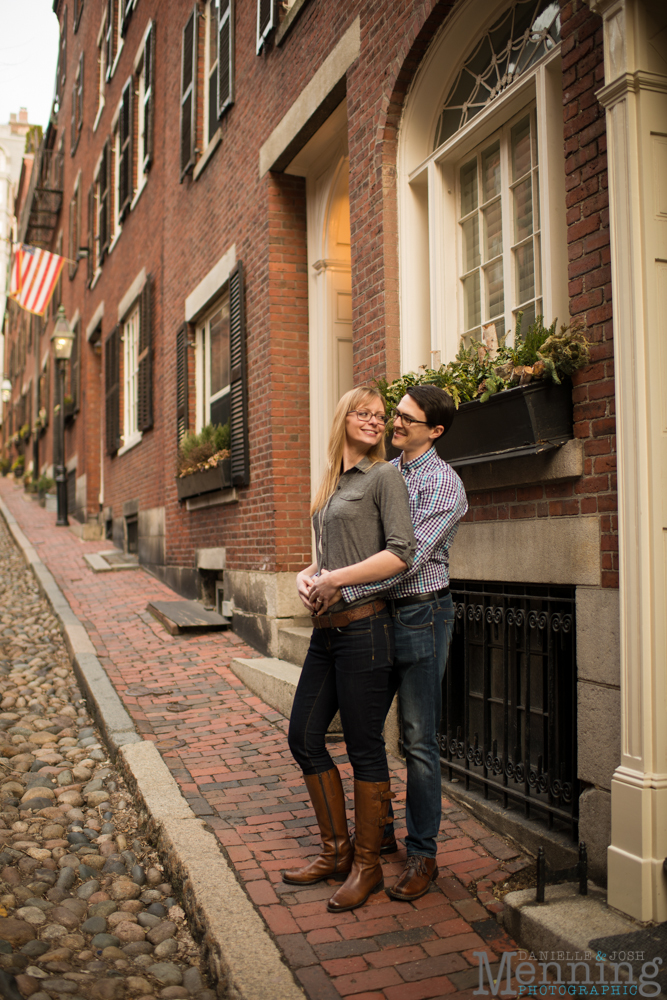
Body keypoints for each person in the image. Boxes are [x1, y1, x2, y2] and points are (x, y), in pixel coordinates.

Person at [310, 384, 467, 901]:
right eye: (393, 414)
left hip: (421, 615)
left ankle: (423, 855)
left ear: (435, 431)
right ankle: (379, 836)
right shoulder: (381, 472)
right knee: (367, 735)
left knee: (419, 740)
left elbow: (407, 561)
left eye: (406, 420)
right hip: (372, 619)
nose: (394, 424)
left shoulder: (446, 486)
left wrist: (340, 586)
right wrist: (319, 577)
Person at [283, 386, 416, 913]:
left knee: (364, 749)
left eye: (381, 416)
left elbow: (400, 554)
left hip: (365, 630)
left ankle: (368, 867)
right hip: (327, 631)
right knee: (304, 737)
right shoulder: (333, 483)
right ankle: (335, 852)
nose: (375, 421)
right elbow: (327, 557)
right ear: (343, 417)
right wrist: (307, 574)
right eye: (364, 413)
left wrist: (335, 578)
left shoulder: (385, 476)